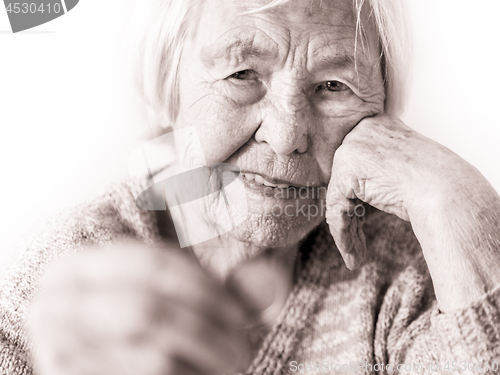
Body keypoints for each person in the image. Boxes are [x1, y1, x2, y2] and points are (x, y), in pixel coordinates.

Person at [1, 0, 500, 374]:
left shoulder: (405, 269)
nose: (286, 137)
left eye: (333, 86)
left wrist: (459, 203)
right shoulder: (65, 271)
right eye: (242, 74)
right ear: (165, 87)